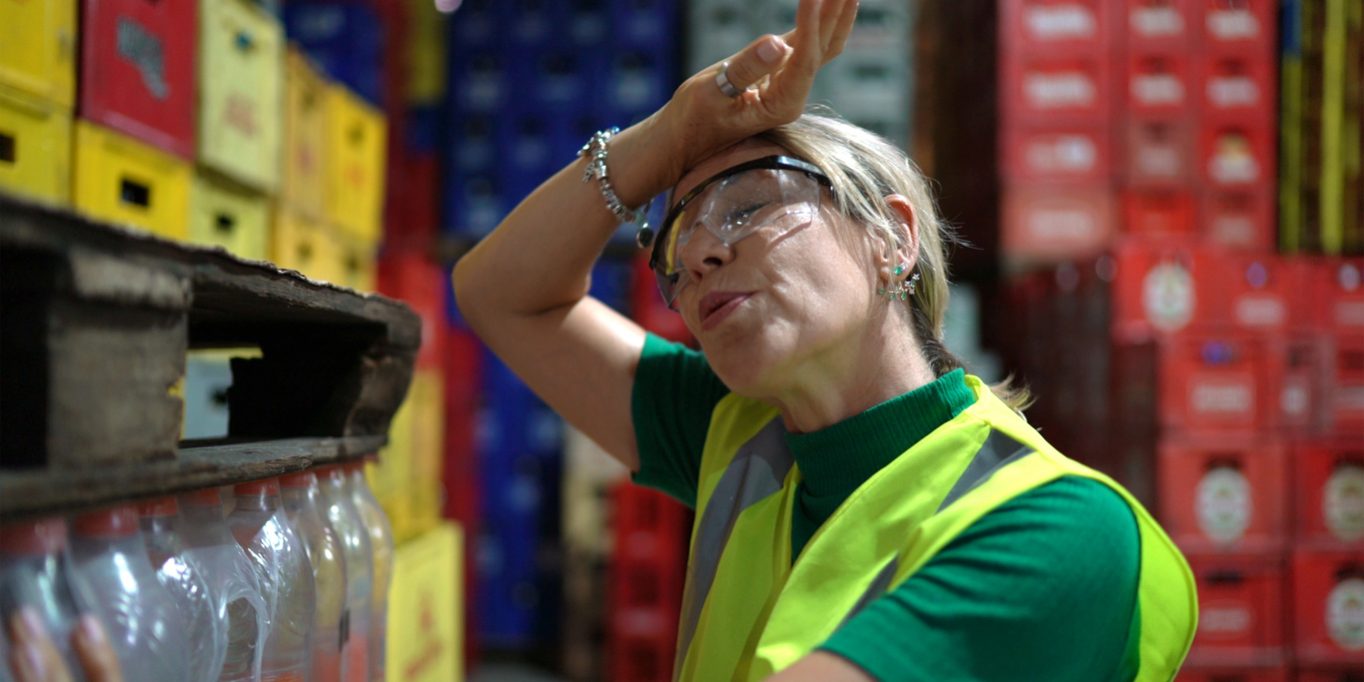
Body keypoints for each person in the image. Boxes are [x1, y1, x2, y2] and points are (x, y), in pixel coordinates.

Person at [454, 1, 1198, 679]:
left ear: (891, 240)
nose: (704, 254)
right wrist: (671, 134)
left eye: (749, 206)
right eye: (679, 249)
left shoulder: (1054, 529)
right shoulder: (740, 439)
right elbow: (500, 294)